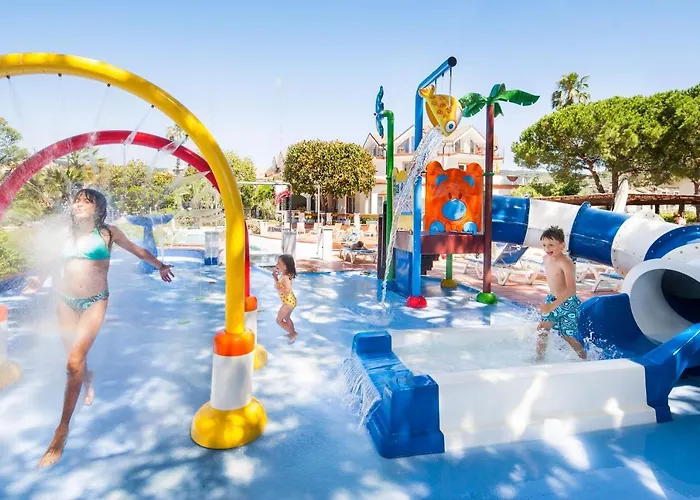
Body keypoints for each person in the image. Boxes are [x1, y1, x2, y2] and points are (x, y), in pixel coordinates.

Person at [23, 188, 174, 468]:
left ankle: (61, 430)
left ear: (97, 208)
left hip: (95, 301)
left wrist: (160, 265)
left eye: (87, 201)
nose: (80, 204)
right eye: (77, 200)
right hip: (65, 301)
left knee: (73, 362)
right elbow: (49, 261)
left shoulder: (108, 233)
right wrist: (37, 281)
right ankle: (87, 378)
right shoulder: (65, 235)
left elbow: (137, 250)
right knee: (74, 362)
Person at [535, 226, 587, 362]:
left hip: (568, 303)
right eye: (544, 245)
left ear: (562, 245)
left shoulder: (566, 263)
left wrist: (552, 306)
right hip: (553, 299)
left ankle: (584, 360)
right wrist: (551, 303)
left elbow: (571, 290)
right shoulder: (546, 258)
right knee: (542, 329)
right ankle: (539, 359)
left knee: (566, 335)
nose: (547, 248)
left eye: (551, 245)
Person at [272, 254, 298, 343]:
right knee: (287, 318)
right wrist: (275, 277)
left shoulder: (285, 278)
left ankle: (293, 333)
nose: (276, 264)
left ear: (285, 266)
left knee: (279, 320)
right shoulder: (283, 276)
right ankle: (291, 333)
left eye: (279, 263)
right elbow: (279, 285)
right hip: (290, 301)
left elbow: (287, 290)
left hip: (288, 303)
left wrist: (279, 289)